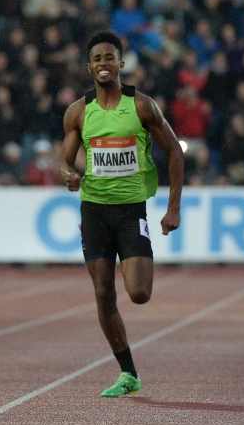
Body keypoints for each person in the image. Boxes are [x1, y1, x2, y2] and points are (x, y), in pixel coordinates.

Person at [59, 30, 183, 398]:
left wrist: (173, 208)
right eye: (97, 58)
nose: (103, 64)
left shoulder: (142, 106)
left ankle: (129, 367)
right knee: (102, 292)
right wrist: (68, 174)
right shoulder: (78, 112)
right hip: (94, 210)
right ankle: (128, 372)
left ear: (121, 63)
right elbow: (66, 160)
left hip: (131, 212)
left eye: (109, 57)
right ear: (88, 66)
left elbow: (175, 152)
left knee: (139, 293)